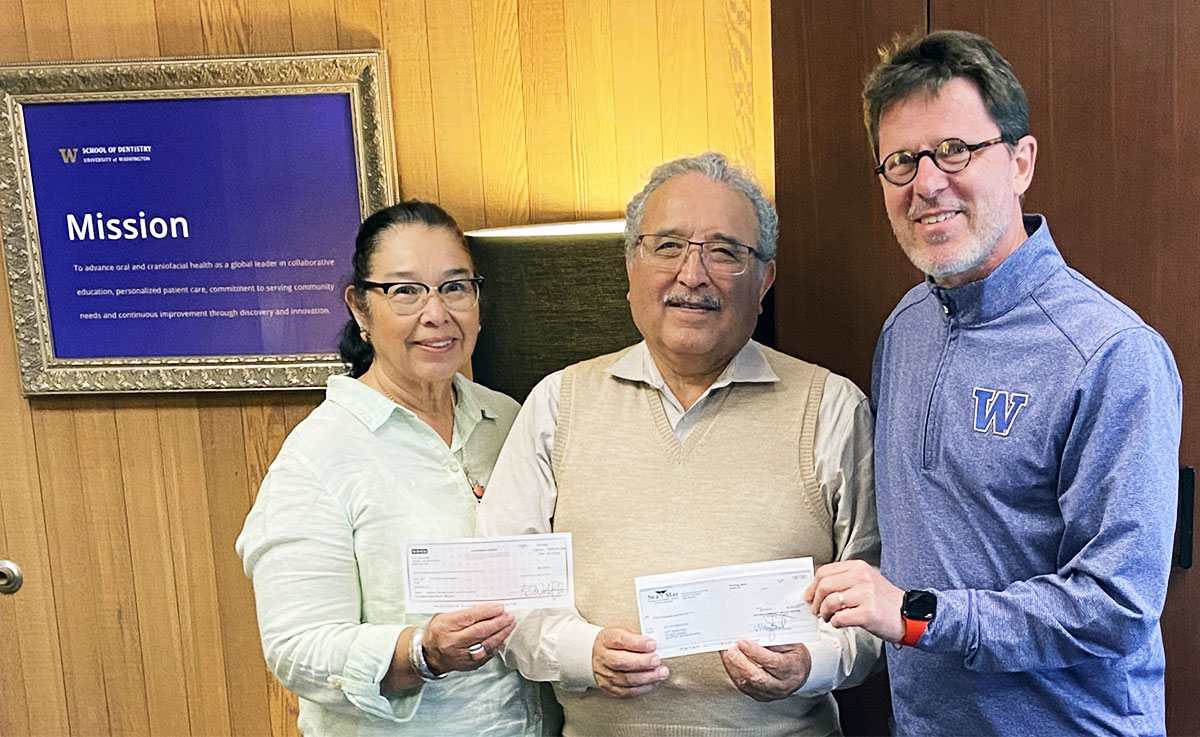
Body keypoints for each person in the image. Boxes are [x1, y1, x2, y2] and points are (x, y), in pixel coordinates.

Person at [805, 30, 1182, 737]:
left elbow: (1116, 604)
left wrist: (917, 615)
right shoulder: (904, 327)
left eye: (954, 149)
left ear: (1020, 161)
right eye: (900, 161)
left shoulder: (1111, 352)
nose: (926, 183)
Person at [478, 152, 882, 736]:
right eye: (667, 246)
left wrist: (810, 664)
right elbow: (503, 590)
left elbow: (874, 598)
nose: (692, 275)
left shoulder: (832, 408)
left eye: (724, 252)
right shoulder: (556, 404)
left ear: (765, 278)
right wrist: (581, 652)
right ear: (630, 265)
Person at [236, 201, 553, 736]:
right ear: (360, 310)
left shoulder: (510, 419)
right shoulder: (319, 454)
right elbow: (296, 648)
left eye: (455, 287)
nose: (437, 313)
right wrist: (421, 651)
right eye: (405, 290)